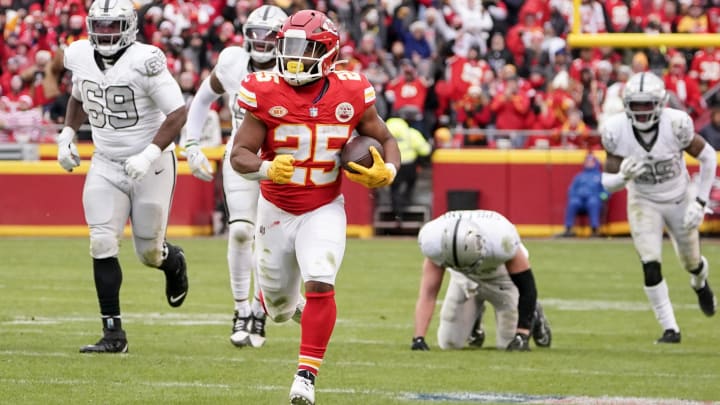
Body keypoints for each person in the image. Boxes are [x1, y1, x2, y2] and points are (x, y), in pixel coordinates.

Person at [229, 10, 400, 405]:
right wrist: (267, 166)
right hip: (274, 209)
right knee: (280, 310)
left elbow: (385, 137)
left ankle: (305, 377)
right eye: (287, 47)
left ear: (327, 52)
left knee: (321, 279)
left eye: (303, 49)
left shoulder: (352, 90)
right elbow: (238, 154)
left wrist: (388, 170)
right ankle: (279, 304)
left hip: (323, 206)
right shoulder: (264, 90)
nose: (292, 57)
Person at [56, 0, 189, 353]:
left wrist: (149, 153)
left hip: (152, 163)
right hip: (105, 162)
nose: (105, 33)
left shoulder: (145, 60)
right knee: (101, 242)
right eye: (100, 26)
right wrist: (68, 134)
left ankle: (171, 260)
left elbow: (177, 113)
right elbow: (78, 96)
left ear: (129, 27)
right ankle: (113, 334)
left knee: (148, 252)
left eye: (113, 26)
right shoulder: (80, 55)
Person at [184, 4, 288, 349]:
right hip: (241, 157)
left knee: (271, 241)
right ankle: (241, 309)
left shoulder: (296, 66)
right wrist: (192, 143)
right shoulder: (232, 62)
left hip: (282, 162)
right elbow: (202, 100)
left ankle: (261, 309)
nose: (261, 42)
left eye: (268, 35)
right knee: (242, 231)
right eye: (255, 34)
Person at [600, 71, 717, 344]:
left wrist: (699, 202)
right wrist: (623, 178)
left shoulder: (676, 124)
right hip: (643, 200)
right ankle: (670, 329)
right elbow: (608, 184)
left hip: (679, 198)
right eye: (636, 104)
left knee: (691, 262)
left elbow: (708, 157)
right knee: (650, 263)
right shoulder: (615, 129)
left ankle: (700, 281)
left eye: (647, 104)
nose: (641, 111)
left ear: (661, 103)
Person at [412, 210, 552, 352]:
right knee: (449, 343)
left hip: (502, 277)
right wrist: (418, 338)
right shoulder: (433, 242)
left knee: (508, 344)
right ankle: (475, 322)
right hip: (464, 278)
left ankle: (535, 312)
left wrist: (522, 334)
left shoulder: (502, 241)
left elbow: (527, 287)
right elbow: (428, 294)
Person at [385, 117, 432, 221]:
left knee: (394, 188)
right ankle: (406, 202)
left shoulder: (383, 134)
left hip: (392, 165)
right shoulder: (411, 133)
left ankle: (397, 211)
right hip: (409, 165)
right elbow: (425, 150)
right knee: (410, 184)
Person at [559, 153, 608, 237]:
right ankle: (568, 229)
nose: (588, 163)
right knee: (573, 203)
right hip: (580, 200)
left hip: (594, 199)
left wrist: (602, 196)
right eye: (587, 162)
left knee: (593, 202)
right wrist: (574, 196)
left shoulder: (600, 176)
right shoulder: (579, 176)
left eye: (590, 162)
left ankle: (594, 229)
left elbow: (606, 191)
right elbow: (571, 190)